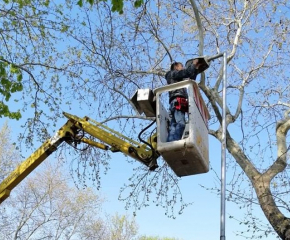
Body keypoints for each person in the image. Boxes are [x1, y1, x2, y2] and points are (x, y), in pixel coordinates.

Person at [165, 59, 205, 142]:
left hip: (175, 102)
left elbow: (191, 77)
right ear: (176, 67)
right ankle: (175, 142)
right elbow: (186, 73)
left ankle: (170, 142)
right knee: (181, 123)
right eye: (181, 66)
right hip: (177, 100)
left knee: (173, 125)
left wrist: (196, 68)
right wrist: (193, 64)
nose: (183, 68)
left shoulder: (177, 77)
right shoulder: (172, 73)